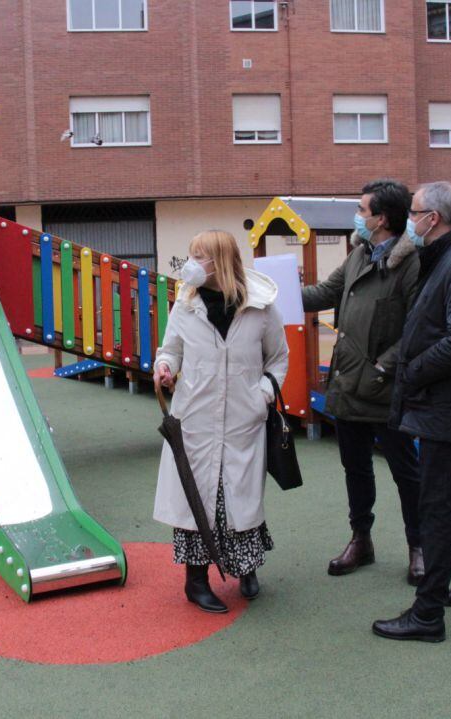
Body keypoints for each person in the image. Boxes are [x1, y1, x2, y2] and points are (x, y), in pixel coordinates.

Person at [373, 181, 451, 643]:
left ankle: (427, 614)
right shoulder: (450, 253)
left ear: (434, 219)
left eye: (414, 211)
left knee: (439, 505)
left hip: (446, 404)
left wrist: (414, 371)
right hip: (445, 403)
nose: (410, 218)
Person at [153, 230, 289, 613]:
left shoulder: (260, 308)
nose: (191, 264)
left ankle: (246, 568)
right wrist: (165, 367)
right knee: (198, 499)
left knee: (239, 499)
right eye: (191, 254)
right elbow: (171, 350)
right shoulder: (185, 305)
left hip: (243, 420)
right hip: (194, 418)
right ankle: (195, 581)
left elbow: (278, 358)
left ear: (221, 261)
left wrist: (261, 394)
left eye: (200, 256)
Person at [301, 179, 423, 584]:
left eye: (362, 209)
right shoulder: (358, 254)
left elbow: (418, 330)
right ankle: (361, 539)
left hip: (387, 388)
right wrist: (264, 286)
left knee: (406, 472)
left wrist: (383, 369)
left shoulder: (411, 263)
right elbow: (321, 293)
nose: (357, 214)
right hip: (348, 384)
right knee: (355, 468)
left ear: (382, 218)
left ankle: (418, 546)